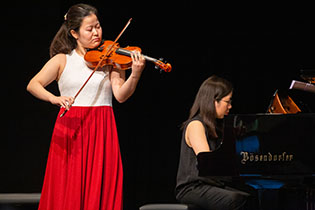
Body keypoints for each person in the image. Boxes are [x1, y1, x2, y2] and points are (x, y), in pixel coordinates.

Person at [27, 4, 145, 210]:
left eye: (98, 27)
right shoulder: (62, 60)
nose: (96, 33)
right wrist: (54, 98)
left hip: (102, 129)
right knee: (68, 190)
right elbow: (33, 85)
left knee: (101, 188)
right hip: (71, 130)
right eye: (89, 29)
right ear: (74, 33)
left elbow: (120, 95)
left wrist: (135, 74)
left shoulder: (111, 59)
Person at [175, 75, 251, 210]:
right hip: (192, 188)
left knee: (251, 196)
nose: (230, 106)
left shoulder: (216, 126)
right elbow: (208, 164)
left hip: (212, 185)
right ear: (214, 101)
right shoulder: (196, 125)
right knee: (236, 199)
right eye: (227, 102)